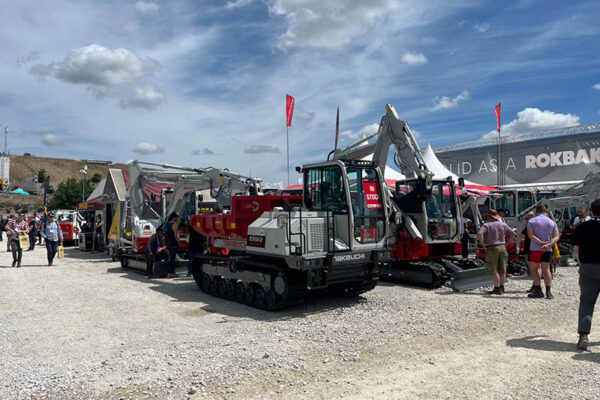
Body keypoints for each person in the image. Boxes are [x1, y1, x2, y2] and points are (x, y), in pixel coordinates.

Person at [573, 199, 600, 350]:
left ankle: (583, 335)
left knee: (587, 301)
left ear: (591, 210)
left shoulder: (581, 227)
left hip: (588, 267)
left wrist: (581, 262)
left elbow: (576, 250)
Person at [478, 209, 515, 295]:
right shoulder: (503, 224)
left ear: (488, 216)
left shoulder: (486, 225)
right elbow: (513, 233)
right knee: (502, 269)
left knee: (493, 269)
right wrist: (507, 243)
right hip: (502, 247)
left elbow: (480, 234)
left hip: (492, 248)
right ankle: (502, 287)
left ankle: (497, 287)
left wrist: (483, 244)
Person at [527, 204, 559, 299]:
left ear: (536, 211)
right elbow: (556, 236)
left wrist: (540, 242)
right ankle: (548, 292)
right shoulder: (551, 222)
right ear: (545, 211)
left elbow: (530, 235)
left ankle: (538, 290)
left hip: (535, 249)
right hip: (547, 249)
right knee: (546, 269)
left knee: (534, 269)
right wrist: (548, 244)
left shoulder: (531, 221)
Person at [520, 212, 536, 293]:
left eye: (526, 219)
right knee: (538, 267)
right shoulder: (538, 225)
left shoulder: (529, 225)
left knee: (532, 268)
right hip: (538, 248)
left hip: (530, 248)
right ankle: (537, 284)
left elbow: (521, 236)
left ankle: (535, 285)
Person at [165, 212, 181, 278]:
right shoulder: (174, 225)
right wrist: (179, 241)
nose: (177, 218)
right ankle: (171, 272)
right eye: (177, 217)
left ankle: (170, 271)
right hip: (173, 243)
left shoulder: (167, 224)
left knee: (170, 258)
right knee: (172, 259)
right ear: (174, 217)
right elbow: (176, 235)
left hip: (168, 243)